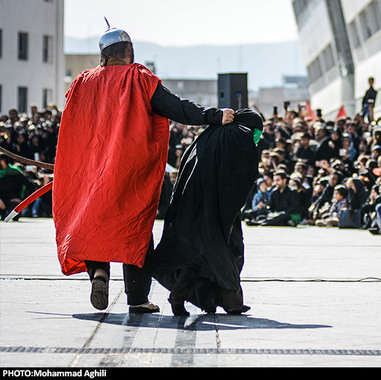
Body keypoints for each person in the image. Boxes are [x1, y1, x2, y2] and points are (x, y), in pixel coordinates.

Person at [52, 23, 234, 313]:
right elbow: (175, 107)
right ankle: (137, 298)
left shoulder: (83, 81)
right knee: (135, 231)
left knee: (93, 225)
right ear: (127, 51)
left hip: (90, 172)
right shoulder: (138, 78)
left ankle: (98, 273)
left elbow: (72, 128)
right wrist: (213, 115)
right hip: (129, 173)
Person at [151, 109, 262, 316]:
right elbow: (242, 176)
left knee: (198, 253)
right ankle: (228, 301)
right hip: (215, 207)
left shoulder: (211, 133)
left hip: (191, 205)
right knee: (220, 251)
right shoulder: (239, 136)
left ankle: (198, 298)